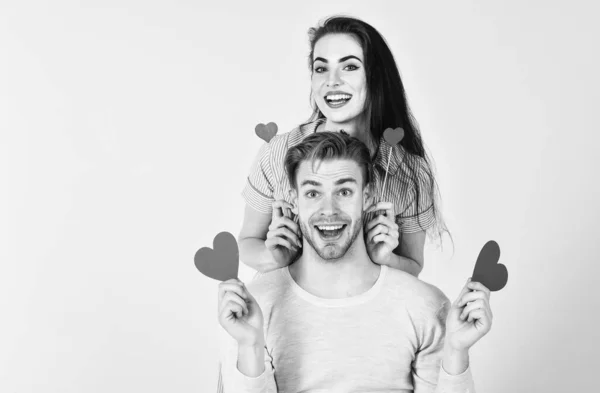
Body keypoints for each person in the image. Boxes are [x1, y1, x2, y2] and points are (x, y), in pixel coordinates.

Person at [218, 132, 492, 392]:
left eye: (345, 192)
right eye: (313, 193)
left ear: (368, 197)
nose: (329, 210)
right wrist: (250, 346)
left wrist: (456, 351)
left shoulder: (426, 306)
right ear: (294, 200)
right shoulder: (254, 308)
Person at [239, 16, 448, 278]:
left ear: (375, 76)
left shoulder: (409, 171)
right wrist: (276, 256)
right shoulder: (279, 152)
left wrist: (384, 258)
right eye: (321, 68)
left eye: (349, 67)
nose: (332, 81)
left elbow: (413, 265)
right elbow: (247, 243)